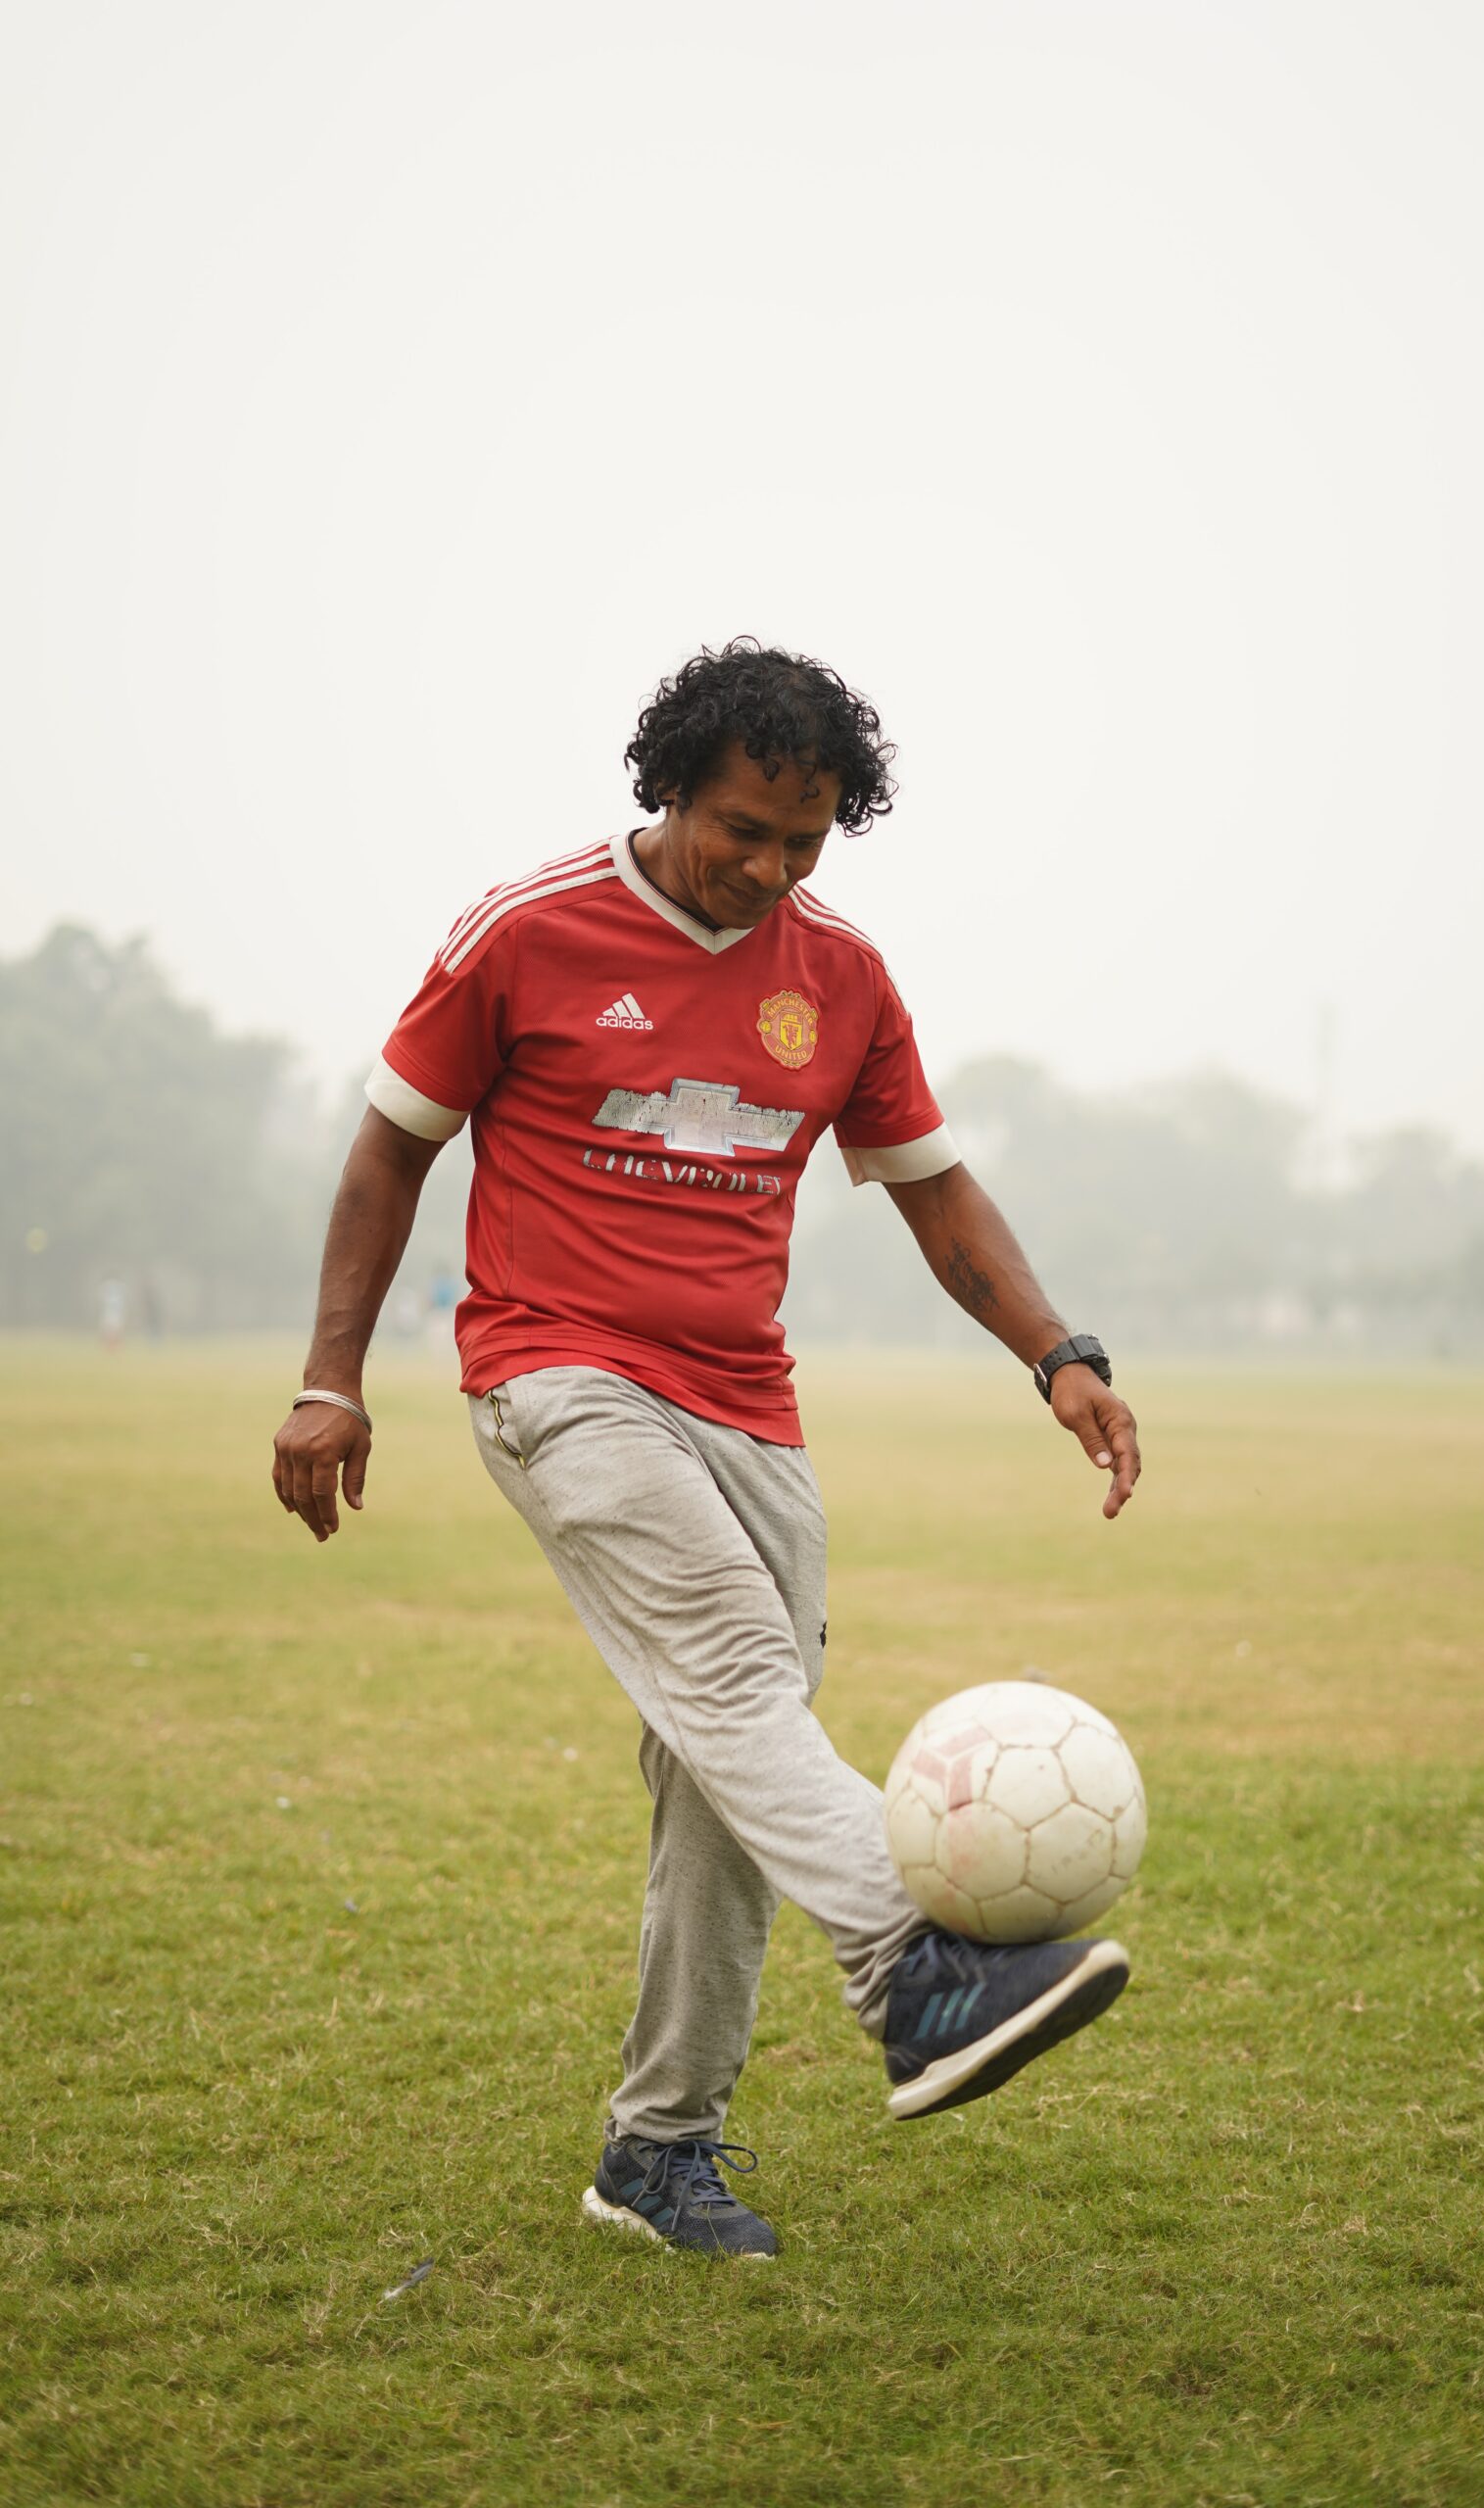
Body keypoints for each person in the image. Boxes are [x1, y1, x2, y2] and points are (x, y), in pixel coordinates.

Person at [271, 640, 1142, 2259]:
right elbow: (390, 1153)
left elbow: (936, 1193)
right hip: (555, 1375)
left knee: (732, 1764)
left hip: (747, 1403)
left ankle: (657, 2154)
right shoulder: (527, 934)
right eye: (743, 829)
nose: (766, 869)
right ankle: (915, 1972)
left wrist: (1057, 1352)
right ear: (668, 785)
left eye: (803, 844)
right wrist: (334, 1379)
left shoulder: (849, 979)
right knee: (744, 1676)